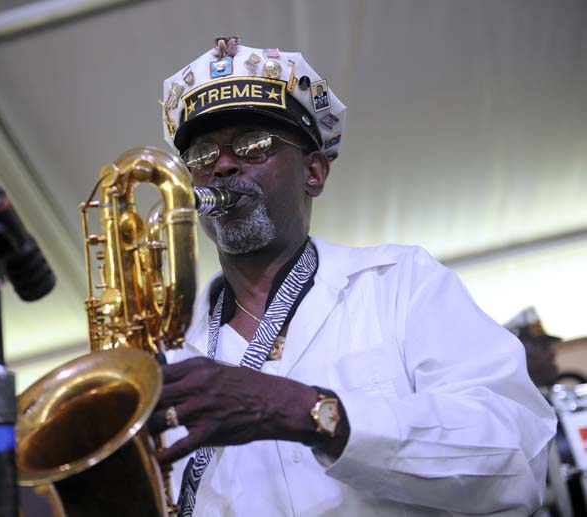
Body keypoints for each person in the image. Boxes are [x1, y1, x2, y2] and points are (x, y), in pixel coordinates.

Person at [148, 37, 557, 516]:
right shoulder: (165, 346)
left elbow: (517, 457)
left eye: (253, 144)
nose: (221, 164)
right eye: (200, 155)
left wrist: (310, 414)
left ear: (314, 173)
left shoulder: (400, 283)